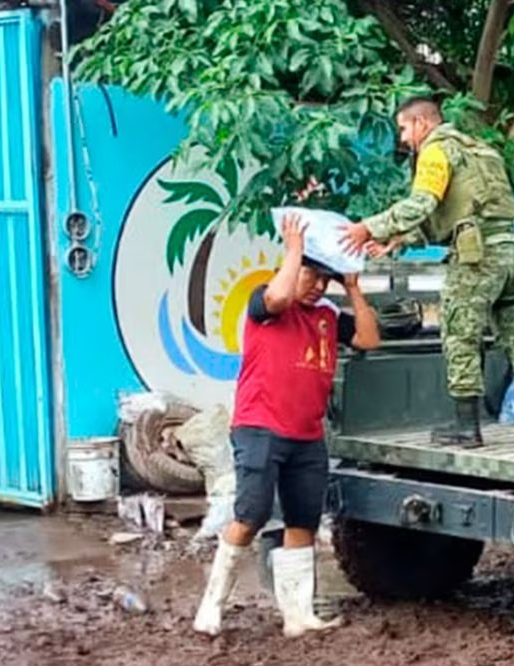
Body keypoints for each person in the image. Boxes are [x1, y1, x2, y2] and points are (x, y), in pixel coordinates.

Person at [194, 213, 380, 638]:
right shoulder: (265, 303)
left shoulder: (329, 318)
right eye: (312, 276)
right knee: (252, 513)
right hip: (259, 427)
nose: (317, 286)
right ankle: (212, 605)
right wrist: (295, 250)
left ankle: (297, 615)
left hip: (306, 434)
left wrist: (353, 289)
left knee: (303, 521)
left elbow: (369, 339)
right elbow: (278, 297)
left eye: (325, 280)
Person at [338, 96, 514, 448]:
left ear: (423, 123)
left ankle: (466, 427)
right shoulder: (483, 151)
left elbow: (422, 203)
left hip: (479, 259)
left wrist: (369, 227)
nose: (403, 139)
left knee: (460, 335)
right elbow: (466, 208)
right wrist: (398, 239)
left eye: (404, 128)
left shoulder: (436, 151)